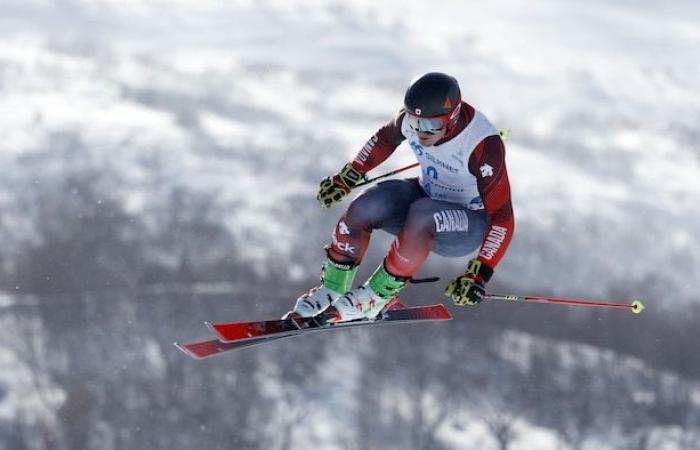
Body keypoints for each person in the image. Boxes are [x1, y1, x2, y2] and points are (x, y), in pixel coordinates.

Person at [285, 72, 515, 323]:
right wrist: (348, 176)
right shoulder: (411, 121)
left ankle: (377, 296)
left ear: (454, 116)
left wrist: (480, 273)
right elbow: (384, 139)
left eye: (431, 126)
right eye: (416, 123)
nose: (421, 132)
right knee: (366, 205)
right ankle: (332, 287)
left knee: (424, 214)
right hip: (424, 194)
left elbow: (502, 217)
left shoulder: (482, 145)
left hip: (467, 225)